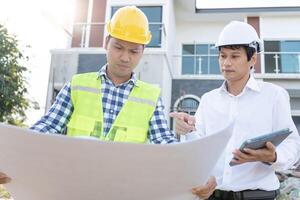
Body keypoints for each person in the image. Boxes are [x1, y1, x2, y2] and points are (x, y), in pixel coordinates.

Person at [0, 6, 216, 199]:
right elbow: (46, 128)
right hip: (74, 189)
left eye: (133, 51)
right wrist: (11, 158)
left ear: (142, 52)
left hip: (124, 191)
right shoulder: (77, 85)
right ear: (106, 43)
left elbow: (165, 142)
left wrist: (196, 172)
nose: (125, 57)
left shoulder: (151, 96)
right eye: (118, 47)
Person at [170, 21, 300, 200]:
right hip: (214, 196)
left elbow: (292, 144)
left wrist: (273, 156)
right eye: (222, 56)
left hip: (260, 196)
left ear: (252, 59)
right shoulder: (208, 100)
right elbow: (200, 148)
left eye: (234, 56)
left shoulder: (274, 96)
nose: (226, 63)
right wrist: (187, 130)